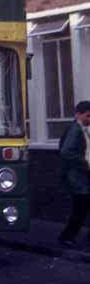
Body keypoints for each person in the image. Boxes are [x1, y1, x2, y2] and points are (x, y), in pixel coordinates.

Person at [58, 100, 90, 247]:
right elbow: (66, 152)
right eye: (88, 116)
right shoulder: (75, 130)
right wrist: (85, 163)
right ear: (78, 114)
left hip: (82, 176)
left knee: (81, 209)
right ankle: (66, 237)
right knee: (80, 209)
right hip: (78, 177)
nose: (89, 119)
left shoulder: (82, 128)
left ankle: (68, 237)